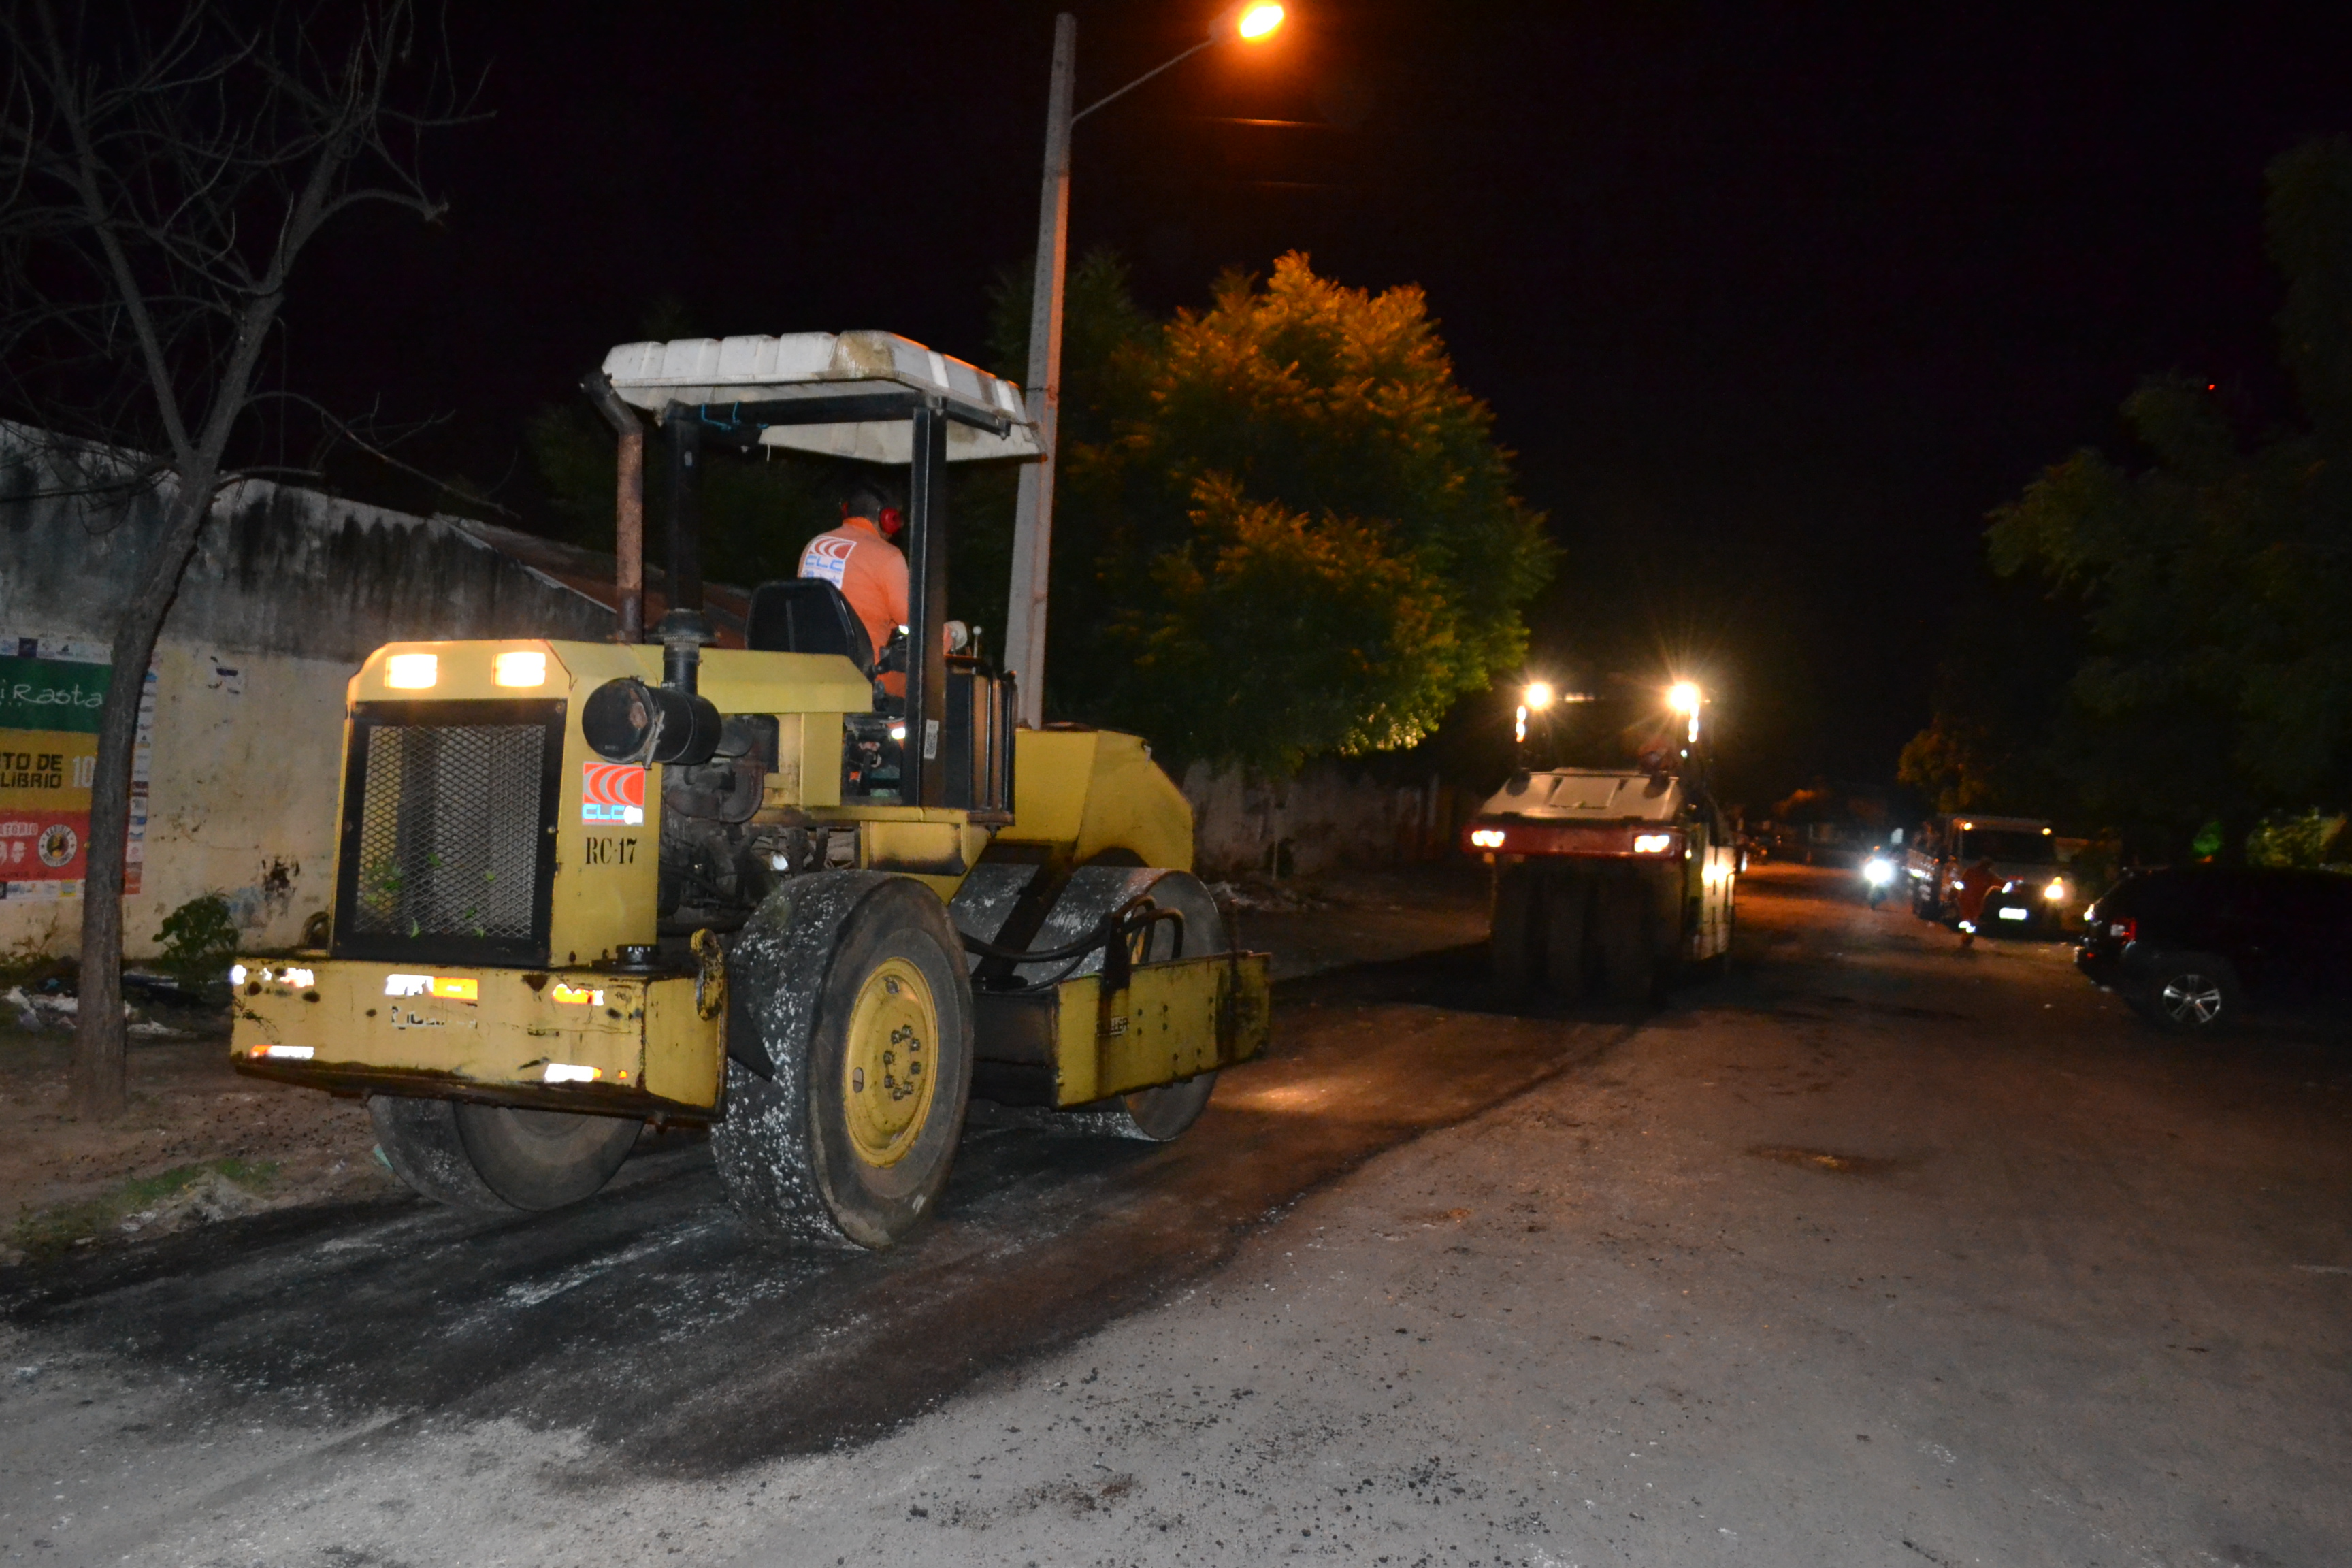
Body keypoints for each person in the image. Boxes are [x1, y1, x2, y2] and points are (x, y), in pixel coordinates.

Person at [799, 480, 909, 690]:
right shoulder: (888, 556)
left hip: (813, 673)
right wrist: (953, 633)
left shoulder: (814, 545)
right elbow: (919, 624)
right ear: (888, 519)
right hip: (867, 680)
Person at [1953, 856, 1997, 949]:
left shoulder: (1988, 876)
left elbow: (1999, 882)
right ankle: (1967, 937)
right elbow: (1962, 883)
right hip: (1968, 900)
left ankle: (1967, 937)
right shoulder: (1972, 872)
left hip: (1975, 902)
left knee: (1971, 920)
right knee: (1968, 919)